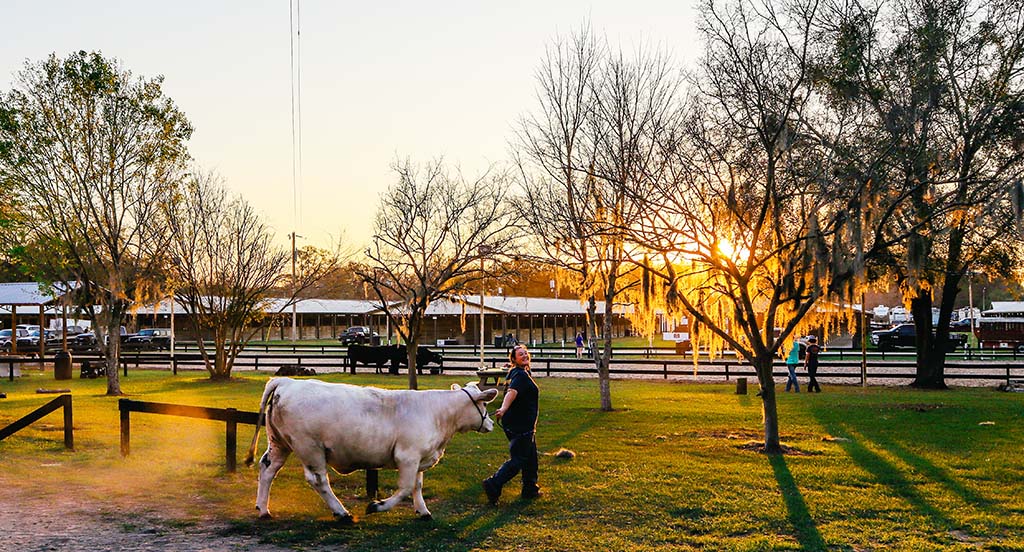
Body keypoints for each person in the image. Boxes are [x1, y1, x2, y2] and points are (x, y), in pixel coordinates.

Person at [483, 344, 541, 504]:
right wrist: (503, 408)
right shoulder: (520, 375)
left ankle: (530, 488)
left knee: (530, 457)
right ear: (514, 359)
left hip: (524, 424)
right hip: (520, 425)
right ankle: (493, 483)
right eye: (520, 354)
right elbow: (512, 392)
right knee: (519, 459)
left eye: (526, 353)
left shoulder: (519, 372)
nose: (524, 356)